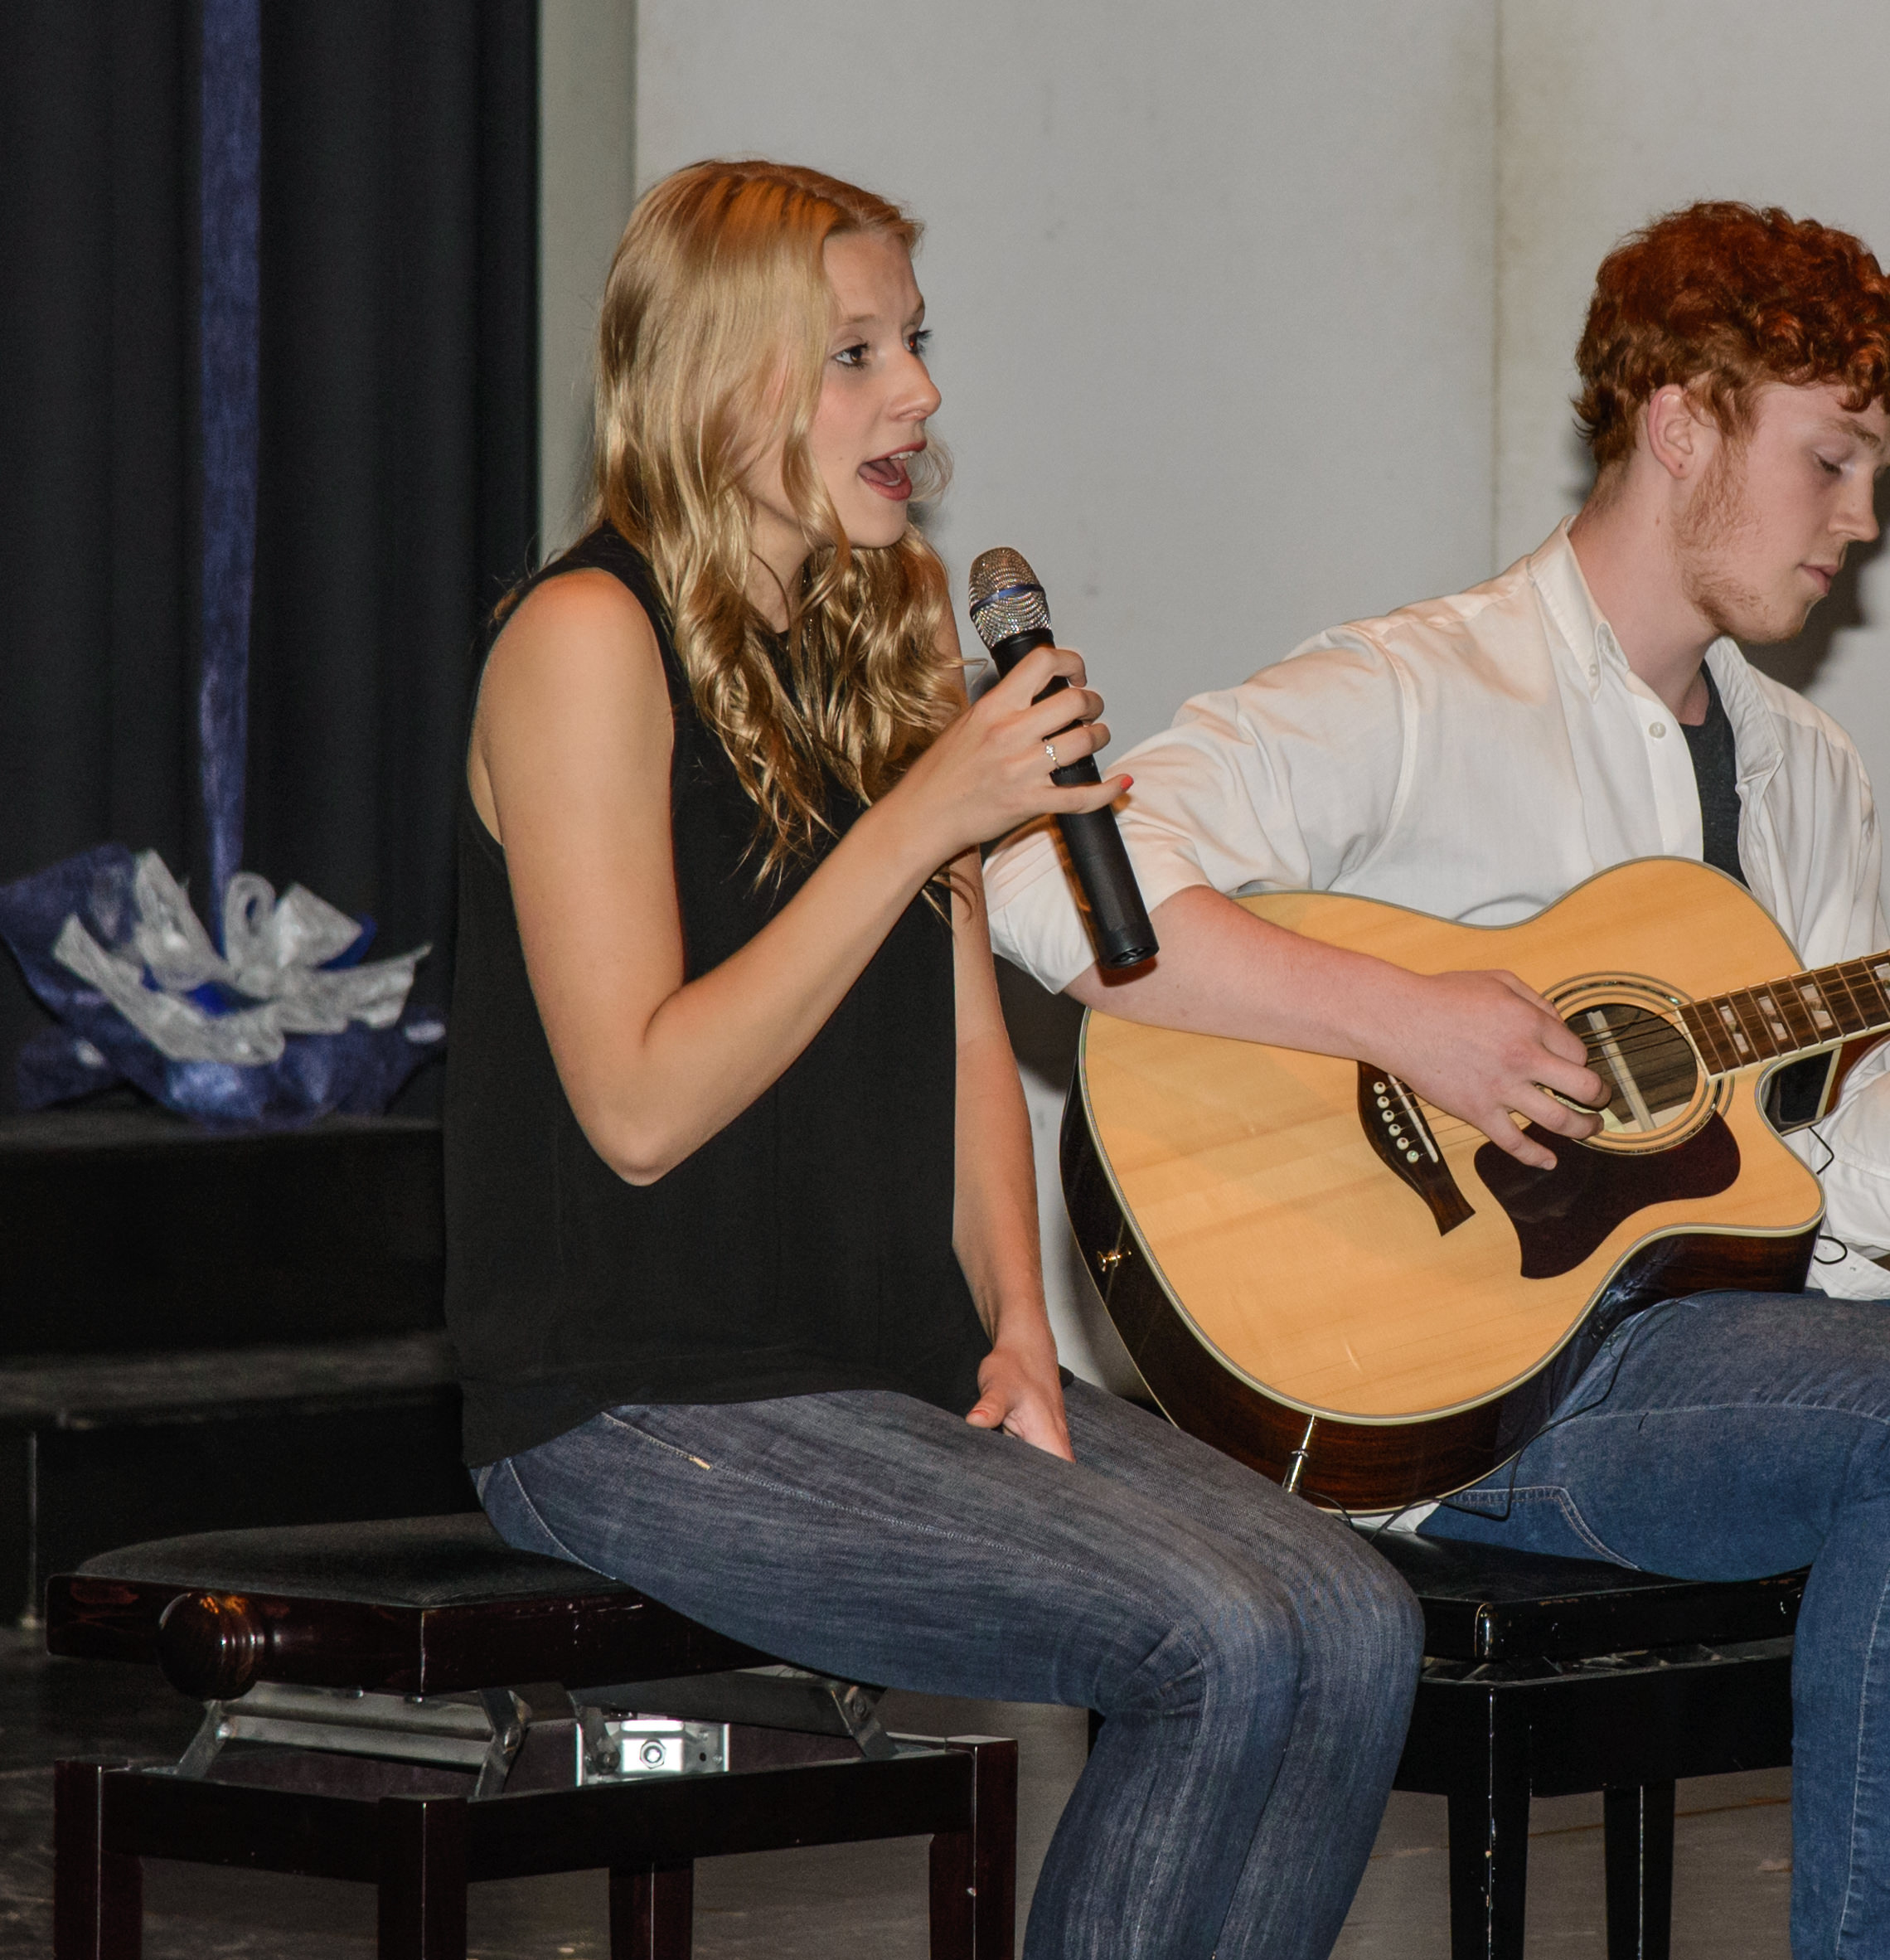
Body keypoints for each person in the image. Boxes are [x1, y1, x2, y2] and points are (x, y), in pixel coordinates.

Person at [986, 201, 1890, 1960]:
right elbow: (1051, 879)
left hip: (1760, 1350)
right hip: (1479, 1381)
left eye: (1878, 475)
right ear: (1682, 422)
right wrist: (1409, 1022)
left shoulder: (1807, 768)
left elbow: (1848, 1188)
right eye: (1832, 461)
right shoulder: (1415, 689)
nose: (1862, 523)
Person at [445, 159, 1420, 1960]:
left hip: (884, 1367)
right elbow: (640, 1110)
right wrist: (922, 817)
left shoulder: (878, 631)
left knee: (1356, 1620)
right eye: (857, 353)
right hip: (638, 1407)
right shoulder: (583, 639)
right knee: (1213, 1638)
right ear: (716, 375)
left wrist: (1021, 1329)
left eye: (914, 342)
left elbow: (972, 1036)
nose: (920, 393)